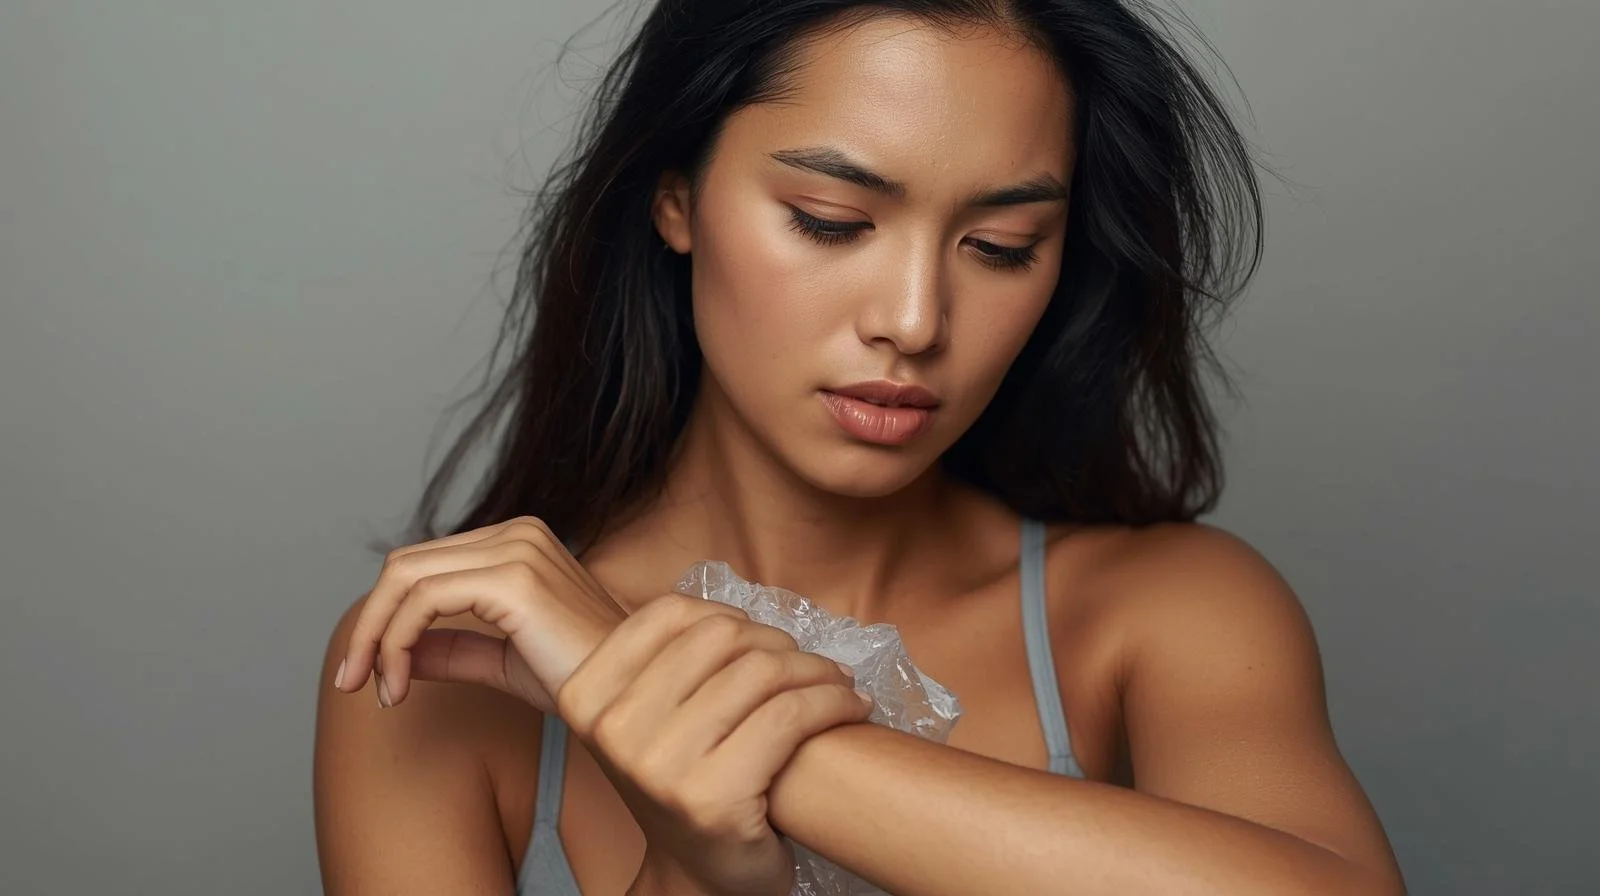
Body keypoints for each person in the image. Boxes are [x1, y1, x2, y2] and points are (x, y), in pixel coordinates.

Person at [313, 1, 1406, 893]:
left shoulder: (1162, 612)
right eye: (831, 220)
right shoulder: (435, 670)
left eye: (1001, 245)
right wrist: (698, 871)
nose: (916, 320)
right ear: (675, 196)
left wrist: (733, 735)